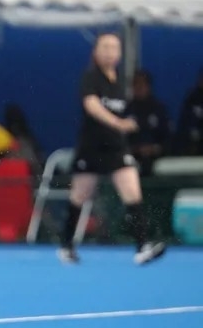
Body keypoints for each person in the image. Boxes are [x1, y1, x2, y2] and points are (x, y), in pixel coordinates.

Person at [57, 33, 166, 265]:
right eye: (105, 47)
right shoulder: (90, 77)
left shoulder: (121, 82)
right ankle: (66, 245)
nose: (110, 52)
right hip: (91, 147)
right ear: (96, 51)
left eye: (114, 47)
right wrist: (119, 123)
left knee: (132, 192)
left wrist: (131, 126)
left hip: (116, 147)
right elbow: (92, 105)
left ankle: (142, 247)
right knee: (79, 196)